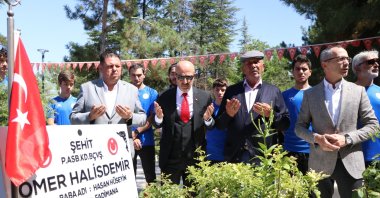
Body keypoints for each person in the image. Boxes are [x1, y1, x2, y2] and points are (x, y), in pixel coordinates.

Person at [295, 46, 378, 198]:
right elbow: (299, 128)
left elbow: (373, 125)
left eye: (347, 58)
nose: (346, 62)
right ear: (325, 64)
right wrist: (317, 139)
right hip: (319, 165)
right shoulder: (310, 95)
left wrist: (347, 138)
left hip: (351, 163)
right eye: (340, 59)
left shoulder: (358, 91)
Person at [215, 50, 290, 164]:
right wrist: (228, 114)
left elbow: (285, 124)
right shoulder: (232, 91)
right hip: (236, 156)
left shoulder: (273, 91)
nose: (253, 65)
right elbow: (220, 125)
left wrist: (271, 115)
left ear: (263, 67)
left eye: (256, 62)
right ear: (243, 69)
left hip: (264, 156)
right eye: (249, 63)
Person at [70, 50, 146, 157]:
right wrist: (90, 116)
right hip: (95, 151)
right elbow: (73, 118)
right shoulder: (87, 88)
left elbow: (143, 118)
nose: (114, 69)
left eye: (117, 66)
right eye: (110, 66)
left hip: (123, 152)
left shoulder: (132, 90)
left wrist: (130, 117)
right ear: (101, 68)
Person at [153, 60, 214, 186]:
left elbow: (212, 124)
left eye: (189, 78)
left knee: (192, 194)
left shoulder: (205, 97)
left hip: (195, 157)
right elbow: (157, 124)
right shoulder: (164, 96)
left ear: (194, 76)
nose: (185, 82)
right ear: (175, 76)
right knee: (168, 194)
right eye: (181, 77)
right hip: (170, 157)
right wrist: (158, 118)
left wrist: (208, 119)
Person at [282, 55, 312, 174]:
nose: (301, 72)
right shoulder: (284, 96)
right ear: (292, 72)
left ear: (310, 72)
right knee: (292, 191)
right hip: (290, 150)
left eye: (304, 69)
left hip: (313, 150)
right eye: (297, 69)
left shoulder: (318, 94)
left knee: (312, 190)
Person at [128, 63, 158, 184]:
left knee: (150, 179)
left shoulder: (152, 93)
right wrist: (131, 136)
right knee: (128, 178)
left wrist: (136, 132)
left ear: (144, 75)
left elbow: (151, 118)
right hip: (128, 140)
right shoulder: (124, 92)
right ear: (129, 76)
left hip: (147, 141)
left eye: (139, 75)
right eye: (133, 75)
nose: (136, 78)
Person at [352, 50, 380, 167]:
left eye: (377, 61)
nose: (376, 64)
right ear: (357, 68)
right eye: (370, 62)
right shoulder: (348, 92)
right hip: (355, 156)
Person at [206, 78, 228, 163]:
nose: (220, 92)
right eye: (217, 90)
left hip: (227, 154)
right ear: (213, 91)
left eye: (223, 90)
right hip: (210, 154)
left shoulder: (230, 108)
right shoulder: (208, 107)